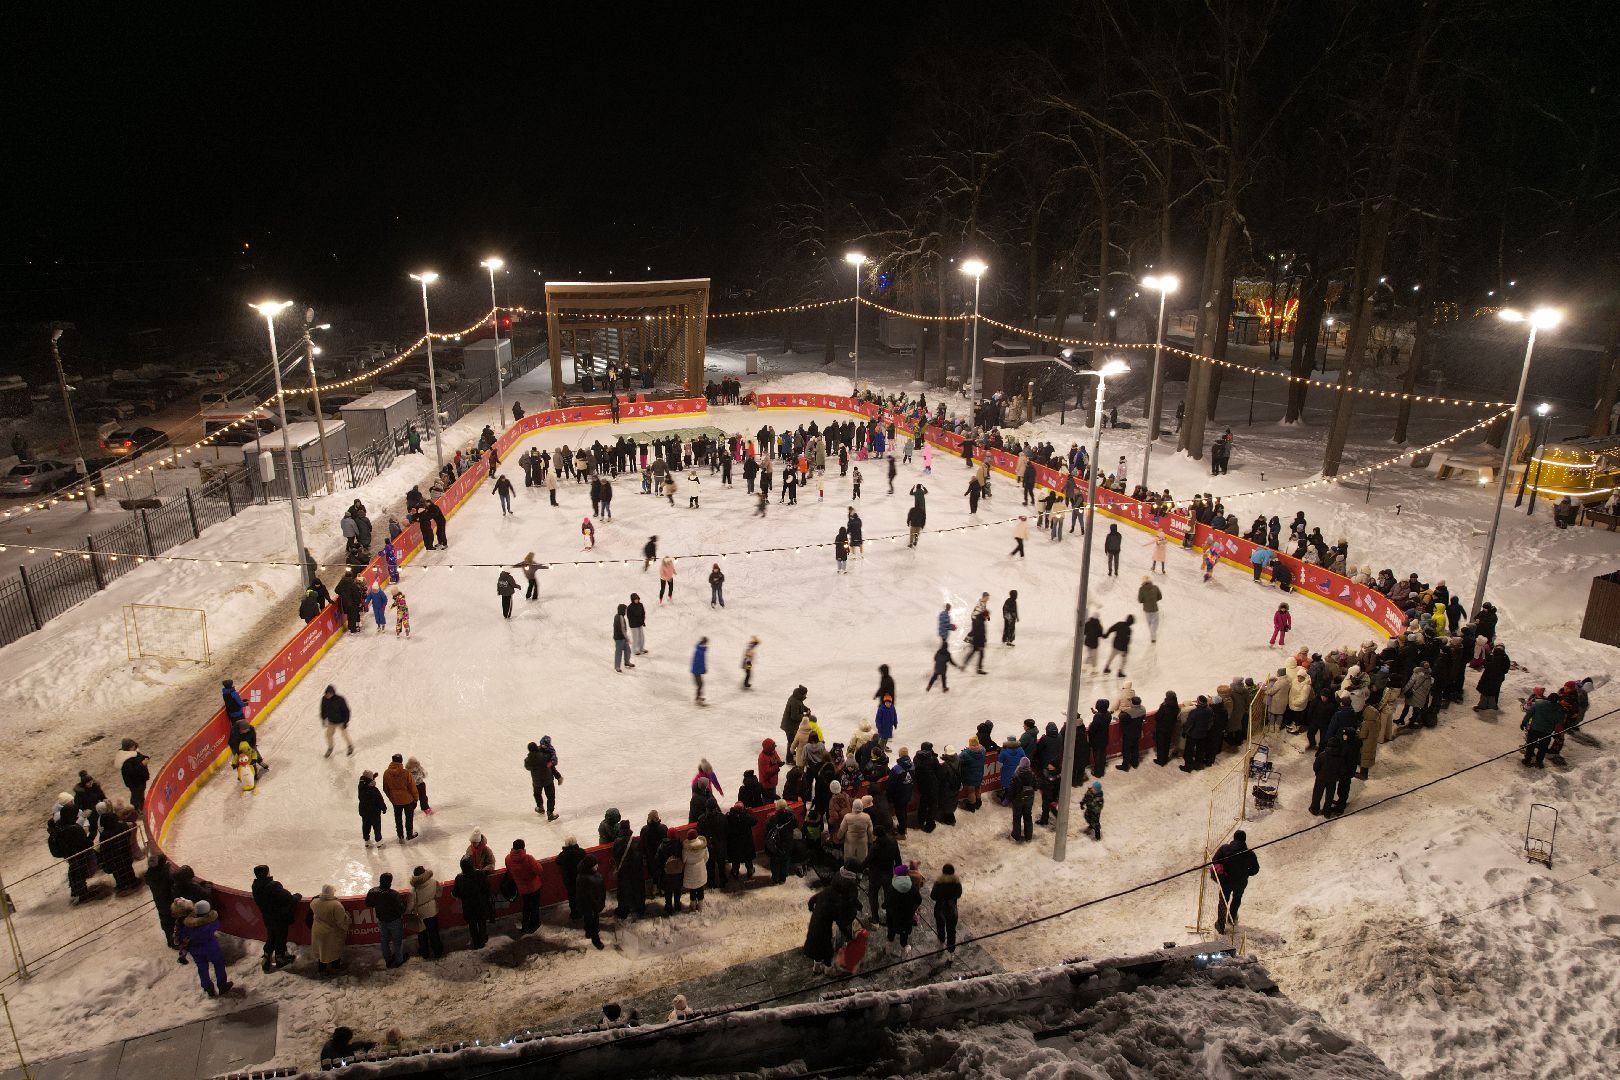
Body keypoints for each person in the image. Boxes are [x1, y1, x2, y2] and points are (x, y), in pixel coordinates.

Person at [250, 865, 299, 973]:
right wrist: (297, 897)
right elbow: (288, 898)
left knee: (271, 935)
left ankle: (267, 956)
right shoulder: (273, 886)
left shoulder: (255, 886)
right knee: (281, 936)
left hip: (267, 916)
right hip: (279, 916)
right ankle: (280, 958)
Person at [178, 899, 231, 996]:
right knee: (219, 964)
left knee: (202, 968)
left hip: (195, 950)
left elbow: (182, 935)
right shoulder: (211, 924)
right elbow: (217, 923)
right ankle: (222, 985)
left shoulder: (188, 925)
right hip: (211, 947)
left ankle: (208, 988)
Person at [1211, 830, 1259, 932]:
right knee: (1237, 899)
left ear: (1234, 838)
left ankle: (1220, 925)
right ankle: (1232, 919)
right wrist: (1246, 873)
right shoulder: (1250, 854)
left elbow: (1214, 860)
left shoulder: (1224, 849)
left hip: (1225, 880)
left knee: (1223, 900)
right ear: (1244, 839)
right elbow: (1256, 869)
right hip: (1241, 882)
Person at [365, 873, 408, 968]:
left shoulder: (373, 892)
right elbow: (401, 910)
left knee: (384, 941)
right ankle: (399, 960)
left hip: (381, 920)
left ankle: (388, 960)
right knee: (397, 941)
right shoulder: (394, 894)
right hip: (394, 921)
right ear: (390, 882)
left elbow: (368, 903)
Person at [453, 855, 493, 949]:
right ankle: (482, 940)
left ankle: (476, 942)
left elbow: (456, 893)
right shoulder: (480, 874)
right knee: (482, 923)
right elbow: (487, 887)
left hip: (468, 907)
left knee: (472, 925)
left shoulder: (459, 878)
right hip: (481, 905)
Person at [505, 839, 544, 935]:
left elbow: (509, 870)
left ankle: (525, 925)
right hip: (534, 886)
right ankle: (534, 924)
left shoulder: (508, 859)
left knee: (526, 906)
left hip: (521, 888)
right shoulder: (528, 858)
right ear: (523, 848)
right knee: (534, 905)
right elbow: (539, 870)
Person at [883, 866, 924, 953]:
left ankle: (888, 949)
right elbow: (919, 899)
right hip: (906, 918)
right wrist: (912, 909)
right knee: (904, 935)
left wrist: (886, 907)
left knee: (891, 932)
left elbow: (887, 902)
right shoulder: (912, 887)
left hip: (893, 917)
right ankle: (904, 950)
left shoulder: (892, 888)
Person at [406, 865, 444, 960]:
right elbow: (439, 894)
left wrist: (407, 912)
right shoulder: (434, 882)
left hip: (421, 914)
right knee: (434, 932)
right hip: (432, 911)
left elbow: (410, 906)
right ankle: (437, 952)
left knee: (422, 935)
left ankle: (425, 953)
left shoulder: (413, 890)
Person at [310, 884, 349, 975]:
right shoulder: (336, 905)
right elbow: (341, 921)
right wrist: (346, 921)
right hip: (331, 933)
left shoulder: (314, 902)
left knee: (321, 952)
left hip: (318, 931)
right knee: (334, 951)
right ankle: (335, 968)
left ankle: (321, 970)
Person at [525, 737, 563, 819]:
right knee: (550, 796)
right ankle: (550, 813)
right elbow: (552, 764)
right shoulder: (544, 756)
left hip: (536, 781)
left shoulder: (528, 760)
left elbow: (527, 767)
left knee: (537, 794)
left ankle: (540, 807)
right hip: (548, 780)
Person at [382, 754, 418, 841]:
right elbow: (412, 787)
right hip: (408, 800)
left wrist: (392, 798)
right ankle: (409, 834)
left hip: (395, 801)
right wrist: (416, 798)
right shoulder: (405, 773)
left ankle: (400, 835)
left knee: (398, 818)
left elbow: (385, 788)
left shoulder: (386, 773)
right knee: (409, 818)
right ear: (401, 761)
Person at [576, 855, 607, 949]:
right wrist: (596, 905)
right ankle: (596, 940)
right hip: (591, 906)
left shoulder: (582, 874)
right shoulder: (588, 879)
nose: (597, 866)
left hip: (586, 906)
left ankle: (588, 932)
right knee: (594, 923)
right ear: (590, 866)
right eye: (595, 865)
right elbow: (591, 896)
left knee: (587, 919)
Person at [321, 685, 353, 758]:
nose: (328, 695)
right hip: (331, 722)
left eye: (329, 694)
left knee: (345, 735)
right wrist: (323, 718)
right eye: (327, 694)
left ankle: (350, 746)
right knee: (328, 735)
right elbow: (323, 709)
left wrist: (345, 722)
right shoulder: (324, 699)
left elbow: (347, 711)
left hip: (341, 722)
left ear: (333, 693)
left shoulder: (340, 700)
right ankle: (330, 747)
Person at [357, 770, 386, 848]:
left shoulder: (361, 787)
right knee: (376, 826)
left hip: (364, 811)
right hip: (374, 812)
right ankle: (379, 841)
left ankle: (367, 841)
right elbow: (380, 800)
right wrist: (384, 808)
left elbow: (367, 781)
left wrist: (373, 777)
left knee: (366, 826)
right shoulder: (374, 790)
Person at [1137, 576, 1162, 643]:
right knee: (1155, 623)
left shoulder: (1141, 589)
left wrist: (1145, 601)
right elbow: (1160, 597)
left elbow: (1140, 600)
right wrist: (1153, 600)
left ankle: (1152, 636)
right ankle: (1153, 636)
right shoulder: (1155, 587)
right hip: (1154, 608)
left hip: (1146, 610)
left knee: (1150, 623)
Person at [613, 604, 634, 672]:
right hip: (619, 638)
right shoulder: (620, 617)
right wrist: (627, 638)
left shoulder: (618, 616)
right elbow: (622, 629)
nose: (626, 611)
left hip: (622, 638)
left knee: (628, 650)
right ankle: (617, 666)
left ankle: (627, 662)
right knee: (619, 652)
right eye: (625, 610)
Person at [691, 637, 709, 704]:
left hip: (696, 670)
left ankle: (698, 697)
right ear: (704, 642)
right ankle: (697, 698)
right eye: (706, 643)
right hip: (696, 671)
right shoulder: (700, 652)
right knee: (700, 684)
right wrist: (703, 670)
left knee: (700, 684)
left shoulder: (699, 649)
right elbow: (699, 662)